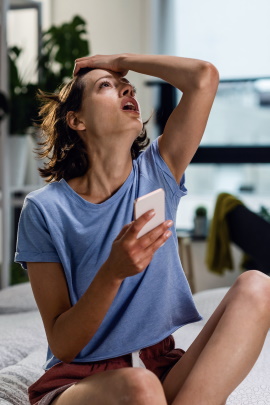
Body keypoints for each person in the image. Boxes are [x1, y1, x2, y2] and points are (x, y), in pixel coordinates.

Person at [15, 53, 270, 405]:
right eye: (107, 86)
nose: (125, 90)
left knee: (258, 286)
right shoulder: (44, 209)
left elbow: (203, 78)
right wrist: (113, 272)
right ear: (77, 119)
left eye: (128, 87)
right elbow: (63, 343)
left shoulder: (159, 172)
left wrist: (120, 60)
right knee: (140, 387)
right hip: (82, 380)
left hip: (158, 366)